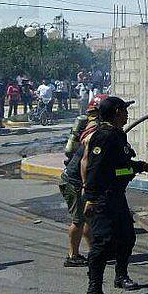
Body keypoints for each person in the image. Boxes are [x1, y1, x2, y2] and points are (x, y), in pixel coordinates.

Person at [80, 96, 148, 294]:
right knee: (102, 244)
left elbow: (119, 168)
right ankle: (94, 293)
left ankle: (121, 276)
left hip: (115, 195)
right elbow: (97, 169)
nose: (127, 113)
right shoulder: (105, 136)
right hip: (103, 197)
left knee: (127, 237)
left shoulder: (115, 135)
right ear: (115, 112)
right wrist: (91, 198)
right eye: (124, 109)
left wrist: (142, 167)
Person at [59, 93, 105, 267]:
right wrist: (86, 185)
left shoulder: (93, 128)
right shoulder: (94, 132)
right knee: (78, 220)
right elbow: (86, 162)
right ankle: (72, 256)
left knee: (87, 218)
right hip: (74, 182)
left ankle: (94, 251)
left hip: (76, 180)